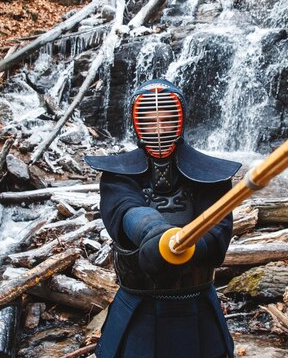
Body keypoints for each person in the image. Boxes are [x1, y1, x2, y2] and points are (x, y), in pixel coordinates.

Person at [85, 79, 241, 358]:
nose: (158, 130)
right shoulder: (118, 176)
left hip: (197, 301)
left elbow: (218, 232)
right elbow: (124, 210)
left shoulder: (210, 175)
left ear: (179, 122)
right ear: (137, 125)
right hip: (139, 302)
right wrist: (154, 233)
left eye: (166, 121)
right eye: (150, 122)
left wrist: (187, 247)